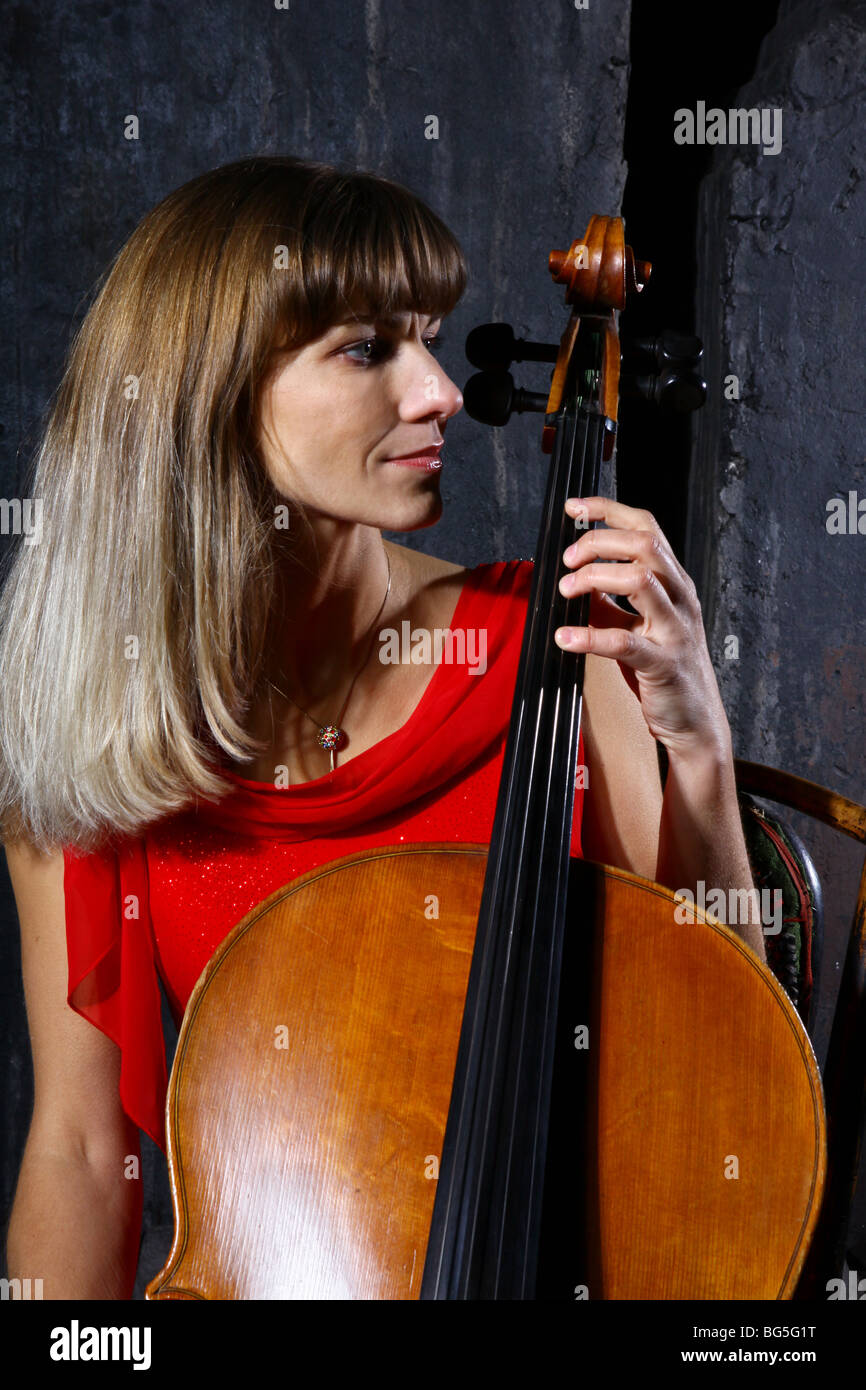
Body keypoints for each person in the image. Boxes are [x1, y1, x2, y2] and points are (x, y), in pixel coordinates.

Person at [0, 154, 762, 1300]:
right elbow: (75, 1148)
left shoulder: (551, 647)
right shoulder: (100, 727)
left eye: (428, 337)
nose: (440, 391)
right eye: (366, 350)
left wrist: (697, 750)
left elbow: (726, 1074)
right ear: (208, 392)